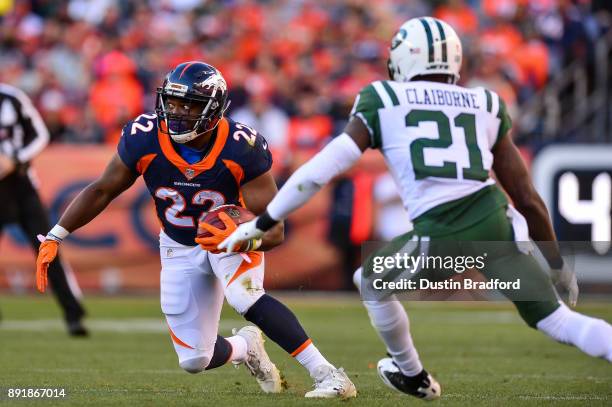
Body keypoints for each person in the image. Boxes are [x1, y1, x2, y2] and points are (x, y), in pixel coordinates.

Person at [220, 17, 612, 400]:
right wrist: (557, 265)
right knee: (557, 319)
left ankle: (413, 374)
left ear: (402, 60)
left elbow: (322, 168)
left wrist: (266, 220)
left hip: (443, 228)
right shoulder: (485, 102)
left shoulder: (384, 98)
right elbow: (527, 199)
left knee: (371, 281)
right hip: (496, 221)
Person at [35, 62, 355, 399]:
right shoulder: (144, 136)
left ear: (214, 108)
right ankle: (246, 347)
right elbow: (102, 189)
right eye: (172, 102)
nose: (176, 112)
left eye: (188, 105)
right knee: (194, 360)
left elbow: (275, 230)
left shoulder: (240, 147)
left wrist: (242, 238)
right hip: (177, 243)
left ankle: (328, 374)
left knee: (244, 295)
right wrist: (56, 234)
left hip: (232, 241)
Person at [0, 83, 87, 336]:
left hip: (20, 186)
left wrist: (15, 159)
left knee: (47, 249)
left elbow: (39, 134)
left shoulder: (11, 98)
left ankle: (73, 314)